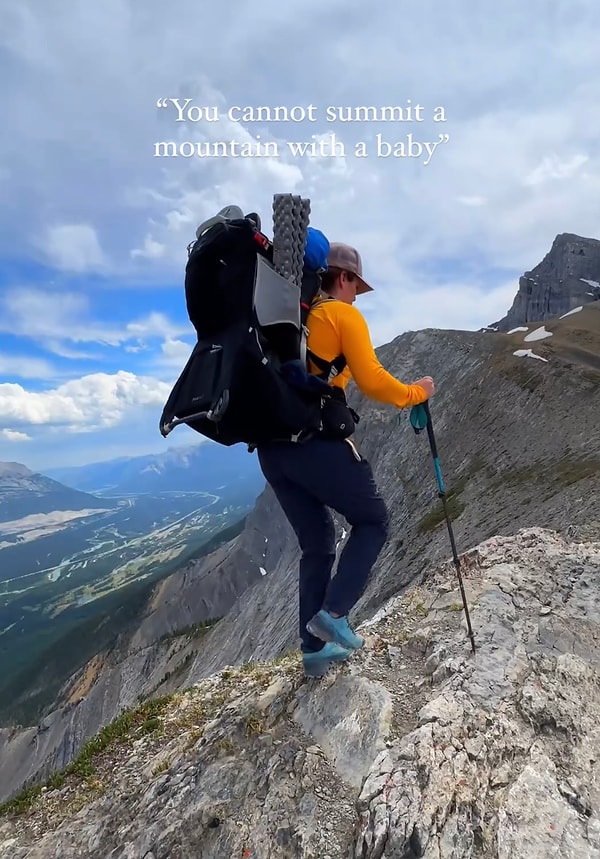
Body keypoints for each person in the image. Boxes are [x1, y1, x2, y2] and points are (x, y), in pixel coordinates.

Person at [256, 241, 435, 676]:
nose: (358, 295)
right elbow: (373, 380)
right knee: (373, 520)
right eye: (357, 285)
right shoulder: (340, 314)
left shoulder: (286, 324)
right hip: (310, 444)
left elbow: (330, 376)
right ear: (343, 278)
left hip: (271, 450)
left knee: (316, 544)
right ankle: (334, 615)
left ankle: (313, 651)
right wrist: (416, 393)